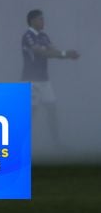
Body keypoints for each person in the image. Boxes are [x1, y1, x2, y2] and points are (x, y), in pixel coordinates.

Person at [21, 9, 79, 147]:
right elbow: (41, 53)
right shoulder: (28, 36)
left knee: (52, 110)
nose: (43, 21)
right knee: (30, 114)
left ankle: (56, 142)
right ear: (32, 20)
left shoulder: (44, 36)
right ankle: (18, 144)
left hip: (44, 80)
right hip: (31, 80)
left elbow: (54, 51)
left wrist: (67, 55)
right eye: (40, 19)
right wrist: (64, 54)